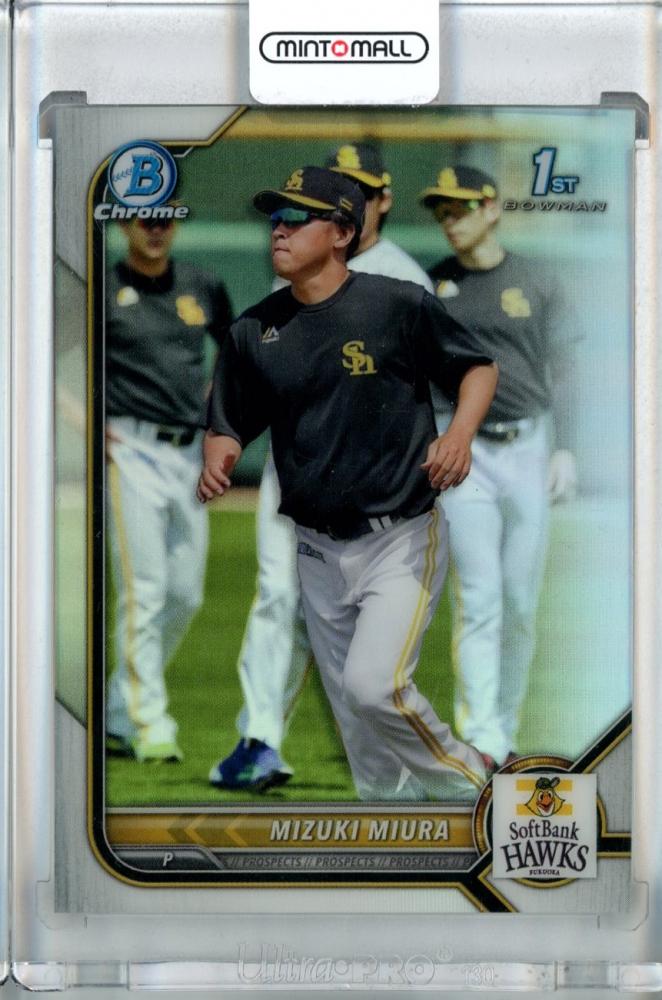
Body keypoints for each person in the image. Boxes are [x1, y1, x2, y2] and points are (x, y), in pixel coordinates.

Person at [199, 165, 498, 802]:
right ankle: (396, 830)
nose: (278, 230)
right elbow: (229, 419)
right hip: (315, 549)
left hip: (400, 537)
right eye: (274, 218)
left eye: (294, 217)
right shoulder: (256, 330)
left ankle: (475, 786)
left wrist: (460, 434)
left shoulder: (396, 304)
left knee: (374, 686)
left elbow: (477, 368)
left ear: (340, 232)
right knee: (361, 732)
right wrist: (221, 450)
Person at [419, 165, 578, 766]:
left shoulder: (537, 279)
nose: (450, 220)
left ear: (491, 208)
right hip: (466, 453)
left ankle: (504, 729)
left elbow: (566, 368)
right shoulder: (434, 285)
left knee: (520, 603)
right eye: (442, 212)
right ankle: (482, 737)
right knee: (480, 598)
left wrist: (567, 447)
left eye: (459, 208)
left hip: (529, 444)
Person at [105, 214, 232, 762]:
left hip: (187, 452)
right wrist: (84, 421)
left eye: (166, 217)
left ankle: (118, 706)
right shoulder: (104, 287)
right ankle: (148, 721)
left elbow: (236, 348)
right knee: (145, 589)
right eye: (144, 218)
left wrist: (215, 402)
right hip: (128, 449)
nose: (155, 229)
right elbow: (51, 356)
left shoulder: (202, 284)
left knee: (184, 593)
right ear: (122, 222)